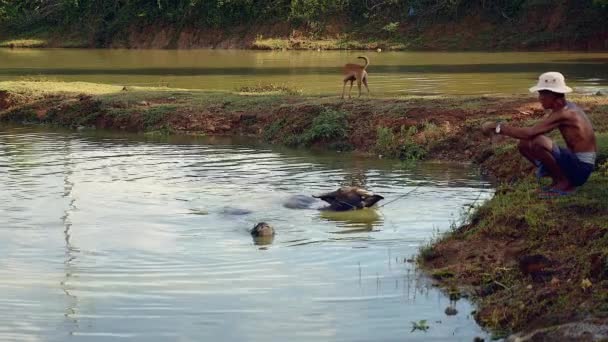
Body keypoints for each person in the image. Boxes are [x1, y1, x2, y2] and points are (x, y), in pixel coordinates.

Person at [481, 71, 597, 196]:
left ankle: (564, 183)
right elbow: (530, 135)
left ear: (553, 95)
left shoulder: (565, 113)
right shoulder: (563, 109)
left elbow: (530, 133)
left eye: (542, 94)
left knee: (538, 141)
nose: (539, 98)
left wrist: (498, 127)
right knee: (524, 144)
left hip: (581, 169)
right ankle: (555, 178)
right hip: (575, 163)